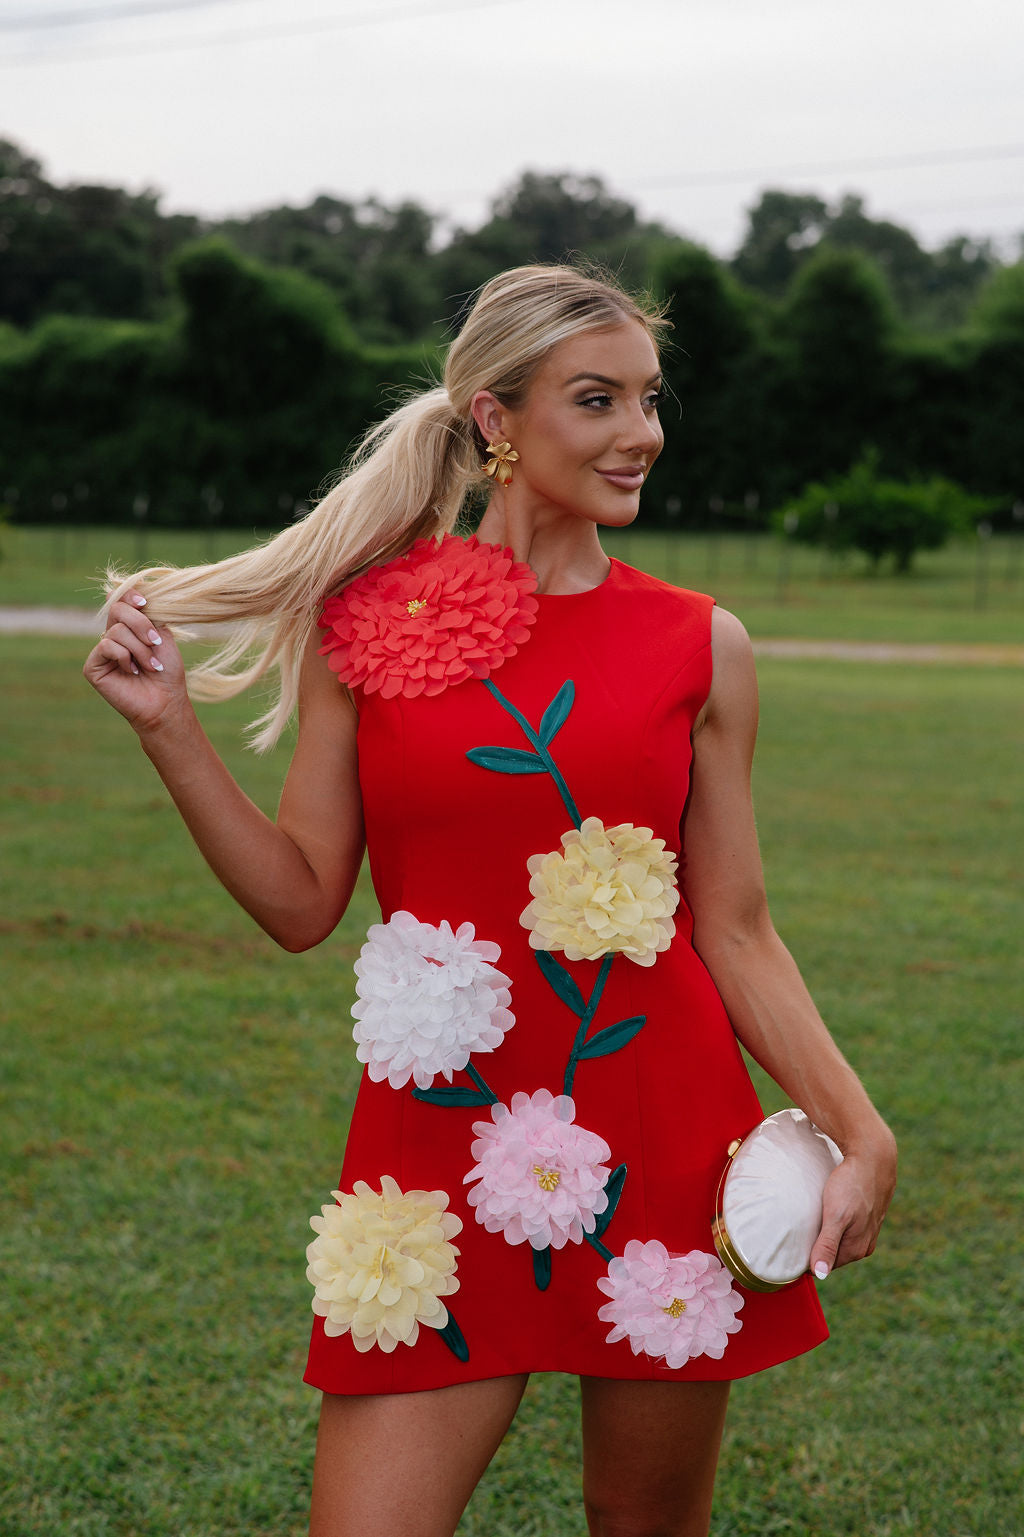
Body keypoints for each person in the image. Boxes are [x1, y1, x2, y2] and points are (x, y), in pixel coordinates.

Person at [84, 264, 897, 1537]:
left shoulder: (702, 643)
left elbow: (732, 925)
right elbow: (302, 901)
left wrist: (861, 1128)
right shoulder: (371, 625)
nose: (643, 433)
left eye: (649, 397)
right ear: (494, 419)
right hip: (433, 1159)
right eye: (599, 399)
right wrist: (171, 734)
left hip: (665, 1138)